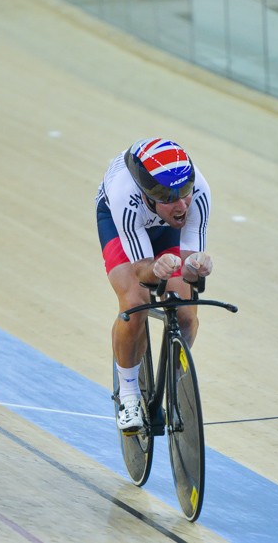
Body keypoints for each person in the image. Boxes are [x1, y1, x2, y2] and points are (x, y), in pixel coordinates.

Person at [95, 138, 213, 433]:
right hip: (121, 223)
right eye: (170, 198)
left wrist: (196, 267)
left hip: (164, 227)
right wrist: (155, 269)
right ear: (148, 195)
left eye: (184, 193)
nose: (182, 203)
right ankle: (130, 393)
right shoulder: (126, 195)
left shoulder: (198, 191)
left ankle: (172, 386)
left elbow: (189, 269)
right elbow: (142, 272)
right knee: (135, 303)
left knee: (186, 314)